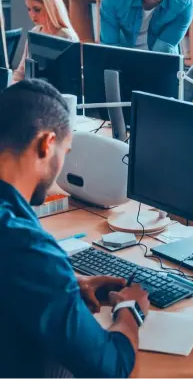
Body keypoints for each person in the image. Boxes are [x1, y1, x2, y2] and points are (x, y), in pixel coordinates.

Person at [0, 79, 149, 378]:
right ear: (47, 144)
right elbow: (113, 369)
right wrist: (130, 311)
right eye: (65, 152)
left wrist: (64, 283)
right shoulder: (26, 245)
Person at [12, 0, 79, 82]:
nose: (32, 15)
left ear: (50, 6)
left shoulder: (66, 37)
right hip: (34, 90)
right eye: (29, 9)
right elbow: (21, 71)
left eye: (37, 9)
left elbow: (70, 80)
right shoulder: (35, 32)